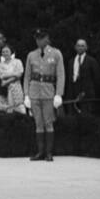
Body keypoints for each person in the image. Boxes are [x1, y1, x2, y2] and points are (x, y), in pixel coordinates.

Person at [23, 28, 65, 161]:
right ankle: (40, 152)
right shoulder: (31, 55)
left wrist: (59, 94)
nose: (38, 41)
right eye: (37, 38)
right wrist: (26, 95)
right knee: (38, 123)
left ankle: (49, 152)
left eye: (41, 38)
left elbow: (60, 75)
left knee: (48, 122)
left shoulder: (56, 53)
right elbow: (27, 76)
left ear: (47, 38)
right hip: (34, 91)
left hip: (48, 92)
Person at [64, 38, 100, 115]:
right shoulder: (70, 62)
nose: (80, 47)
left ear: (86, 47)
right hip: (72, 94)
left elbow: (97, 79)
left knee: (86, 118)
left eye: (82, 46)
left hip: (87, 95)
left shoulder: (92, 61)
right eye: (78, 45)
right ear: (75, 47)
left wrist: (91, 92)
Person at [0, 46, 25, 113]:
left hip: (16, 88)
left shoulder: (18, 61)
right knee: (7, 110)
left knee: (20, 109)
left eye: (7, 51)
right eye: (3, 52)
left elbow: (19, 74)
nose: (5, 53)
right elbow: (1, 76)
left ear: (11, 52)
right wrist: (14, 74)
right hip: (5, 90)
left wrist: (7, 81)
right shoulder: (0, 65)